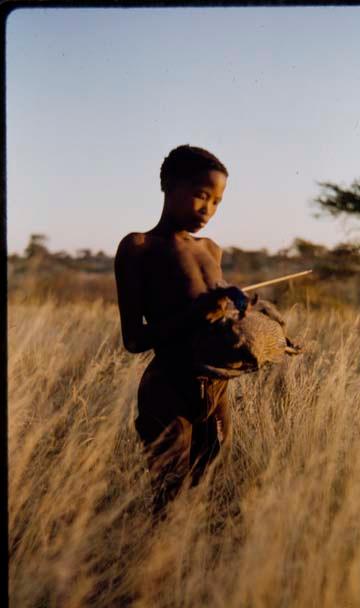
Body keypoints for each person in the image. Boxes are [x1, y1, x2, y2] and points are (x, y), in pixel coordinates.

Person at [115, 145, 249, 518]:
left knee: (208, 491)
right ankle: (157, 569)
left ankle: (195, 570)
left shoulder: (211, 249)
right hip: (167, 389)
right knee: (169, 500)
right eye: (200, 195)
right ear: (169, 185)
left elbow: (214, 320)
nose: (208, 209)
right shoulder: (139, 247)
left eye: (217, 202)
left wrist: (237, 309)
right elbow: (134, 340)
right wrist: (196, 313)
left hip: (216, 389)